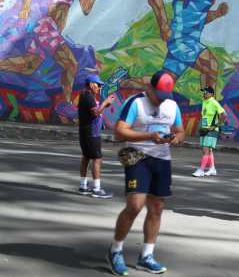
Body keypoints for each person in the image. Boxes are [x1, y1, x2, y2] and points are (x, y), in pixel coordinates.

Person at [0, 0, 106, 119]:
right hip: (45, 26)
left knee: (28, 65)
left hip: (53, 30)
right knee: (70, 64)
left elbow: (86, 7)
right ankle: (64, 104)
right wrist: (25, 7)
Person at [107, 71, 185, 276]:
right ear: (149, 88)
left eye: (164, 96)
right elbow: (119, 131)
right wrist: (148, 135)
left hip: (162, 159)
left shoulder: (172, 105)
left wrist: (177, 138)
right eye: (158, 95)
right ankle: (116, 250)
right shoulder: (135, 103)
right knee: (134, 206)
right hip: (137, 156)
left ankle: (146, 256)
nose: (161, 100)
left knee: (157, 207)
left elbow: (180, 130)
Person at [77, 74, 115, 198]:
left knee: (86, 157)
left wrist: (104, 105)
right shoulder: (88, 96)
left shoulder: (86, 95)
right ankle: (97, 189)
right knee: (97, 159)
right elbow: (95, 113)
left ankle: (83, 186)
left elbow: (95, 112)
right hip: (91, 133)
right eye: (98, 85)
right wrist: (105, 103)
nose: (99, 88)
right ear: (91, 84)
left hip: (87, 132)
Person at [192, 86, 227, 177]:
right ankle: (212, 169)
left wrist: (215, 126)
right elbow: (205, 116)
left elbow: (224, 115)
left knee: (205, 150)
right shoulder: (204, 102)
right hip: (204, 130)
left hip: (211, 131)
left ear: (211, 94)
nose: (204, 93)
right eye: (203, 92)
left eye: (206, 92)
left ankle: (201, 170)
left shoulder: (214, 102)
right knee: (209, 150)